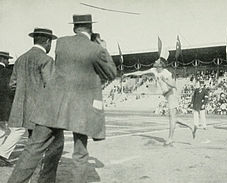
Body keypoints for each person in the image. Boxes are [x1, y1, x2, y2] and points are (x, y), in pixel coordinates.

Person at [8, 14, 117, 183]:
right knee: (80, 154)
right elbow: (111, 73)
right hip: (81, 108)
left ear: (74, 28)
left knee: (33, 149)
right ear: (91, 29)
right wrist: (103, 48)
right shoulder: (96, 49)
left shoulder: (61, 43)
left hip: (53, 105)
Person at [123, 57, 195, 146]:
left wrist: (165, 81)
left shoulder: (166, 73)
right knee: (174, 118)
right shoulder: (154, 70)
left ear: (160, 65)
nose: (155, 61)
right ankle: (191, 126)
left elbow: (173, 85)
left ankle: (170, 139)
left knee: (172, 119)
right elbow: (140, 73)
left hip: (171, 94)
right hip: (167, 95)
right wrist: (127, 74)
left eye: (157, 61)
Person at [0, 51, 17, 167]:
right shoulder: (7, 73)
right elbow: (11, 90)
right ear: (3, 59)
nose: (8, 61)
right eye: (7, 59)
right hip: (4, 106)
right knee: (11, 130)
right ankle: (2, 154)